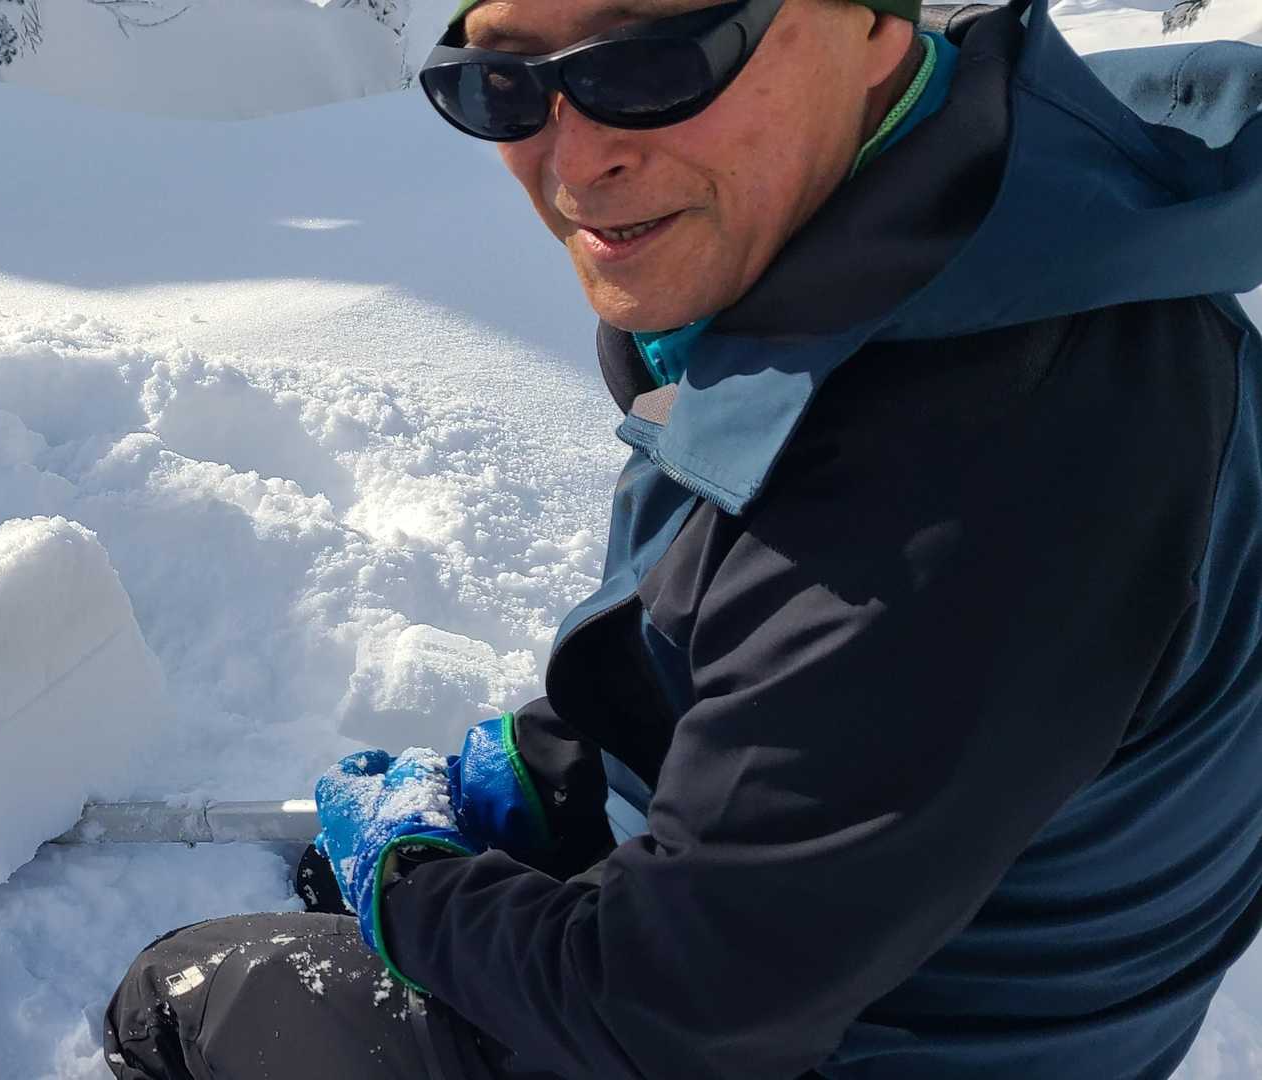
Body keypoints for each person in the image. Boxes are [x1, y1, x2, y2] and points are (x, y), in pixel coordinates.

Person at [103, 0, 1262, 1075]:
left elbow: (663, 1019)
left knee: (182, 1000)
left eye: (652, 65)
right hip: (952, 950)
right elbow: (802, 648)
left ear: (866, 22)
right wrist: (564, 761)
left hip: (867, 1040)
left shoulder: (959, 499)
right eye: (503, 85)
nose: (572, 167)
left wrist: (410, 887)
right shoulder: (985, 216)